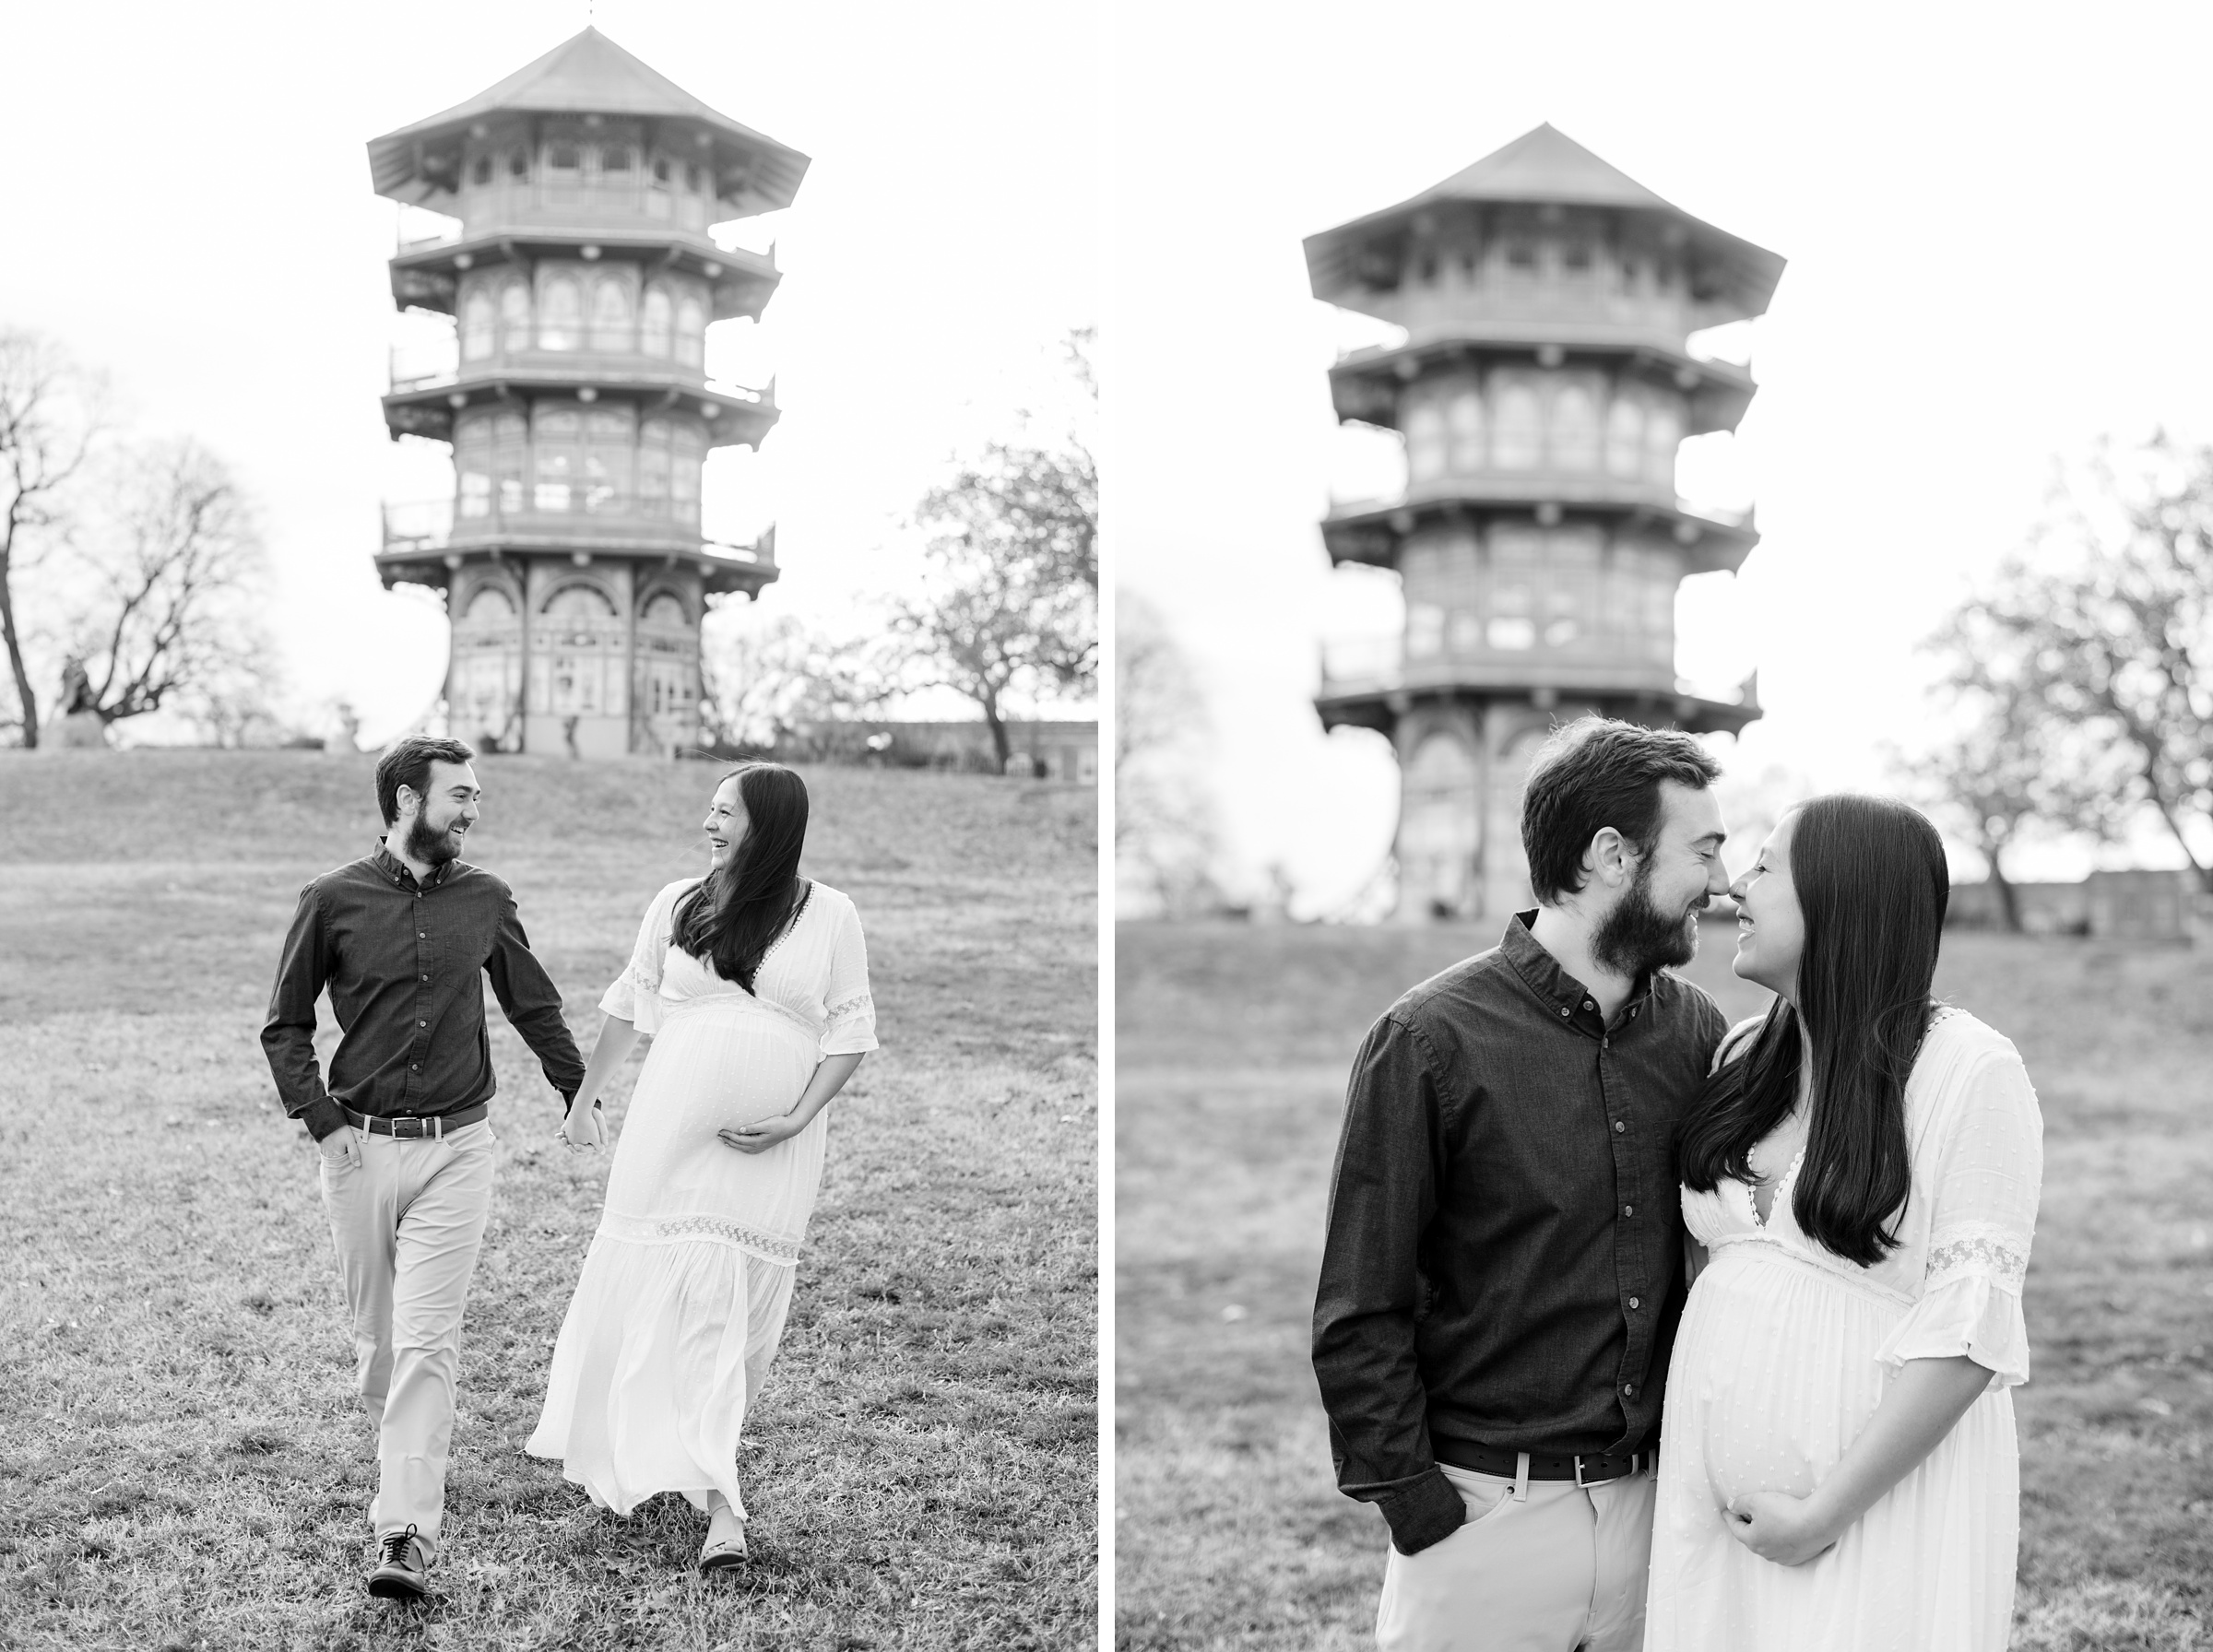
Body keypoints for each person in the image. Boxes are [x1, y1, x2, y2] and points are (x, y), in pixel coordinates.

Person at [1313, 716, 1733, 1652]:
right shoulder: (1427, 1040)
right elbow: (1359, 1303)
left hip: (1653, 1517)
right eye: (1704, 849)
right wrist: (1423, 1511)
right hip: (1482, 1519)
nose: (1723, 878)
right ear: (1611, 856)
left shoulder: (1699, 1034)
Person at [1645, 796, 2042, 1650]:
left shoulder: (1968, 1070)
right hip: (1713, 1510)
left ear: (1841, 896)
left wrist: (1823, 1512)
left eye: (1764, 866)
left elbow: (1970, 1333)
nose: (1732, 886)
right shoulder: (1743, 1055)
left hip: (1873, 1511)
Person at [527, 762, 876, 1571]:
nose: (709, 822)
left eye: (726, 811)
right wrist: (583, 1100)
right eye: (711, 808)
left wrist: (795, 1118)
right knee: (657, 1287)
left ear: (771, 823)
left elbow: (851, 1033)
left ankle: (721, 1495)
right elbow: (629, 1002)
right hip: (667, 1128)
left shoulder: (830, 914)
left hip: (769, 1145)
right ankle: (668, 1465)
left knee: (731, 1317)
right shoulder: (680, 900)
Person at [261, 736, 586, 1600]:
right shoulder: (330, 899)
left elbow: (532, 1001)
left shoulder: (486, 897)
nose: (473, 811)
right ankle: (401, 1449)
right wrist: (324, 1125)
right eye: (460, 796)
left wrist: (578, 1094)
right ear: (407, 800)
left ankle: (405, 1530)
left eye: (477, 797)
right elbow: (285, 1028)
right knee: (381, 1345)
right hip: (358, 1148)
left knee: (427, 1342)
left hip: (458, 1150)